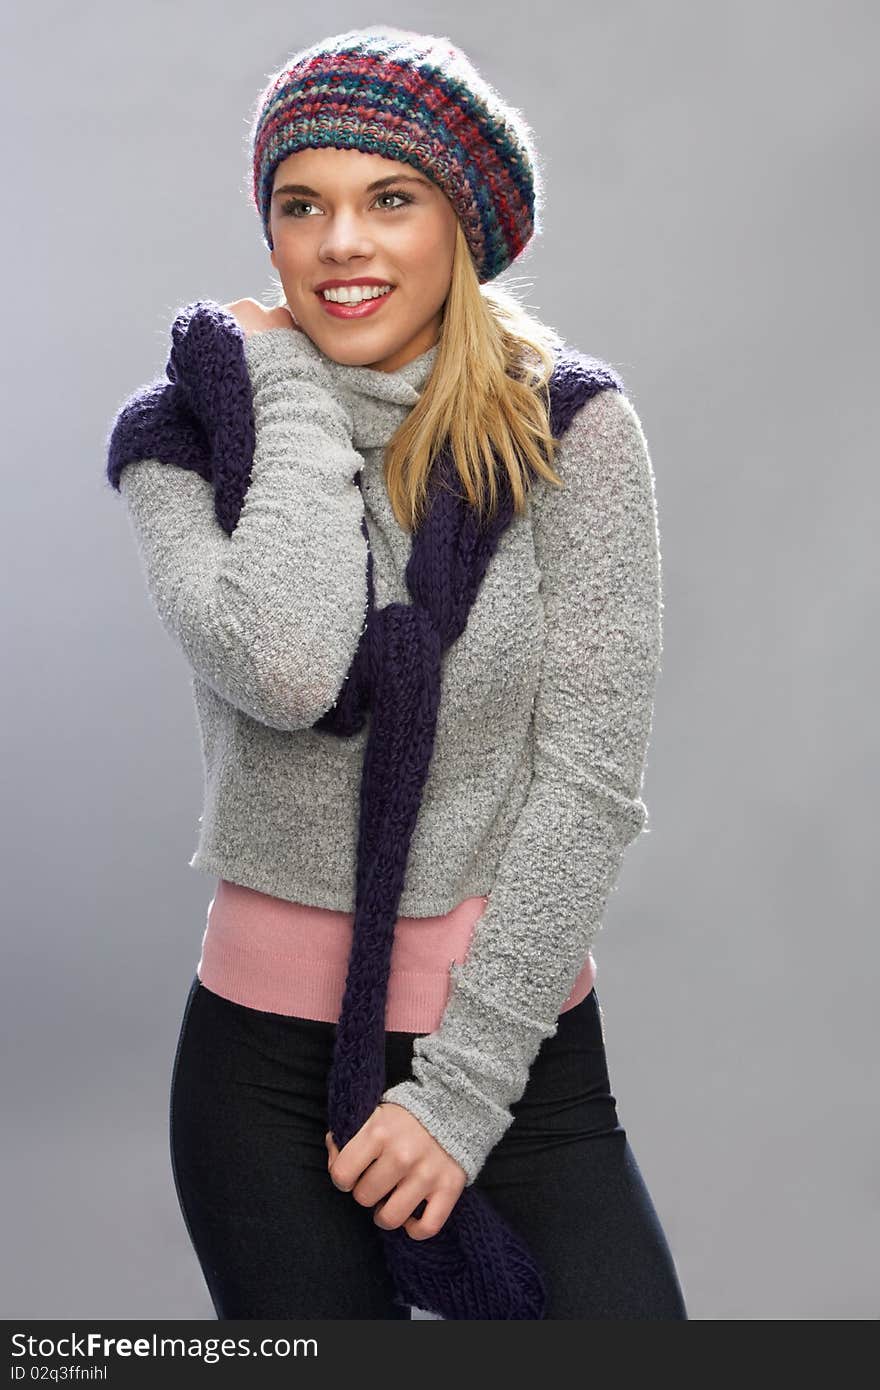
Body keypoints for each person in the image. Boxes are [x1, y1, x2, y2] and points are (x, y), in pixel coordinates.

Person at [109, 26, 688, 1319]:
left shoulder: (569, 432)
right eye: (300, 205)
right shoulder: (185, 439)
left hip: (513, 1049)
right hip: (255, 1074)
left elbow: (588, 782)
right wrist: (291, 397)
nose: (341, 245)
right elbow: (297, 662)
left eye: (391, 199)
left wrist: (463, 1088)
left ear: (462, 227)